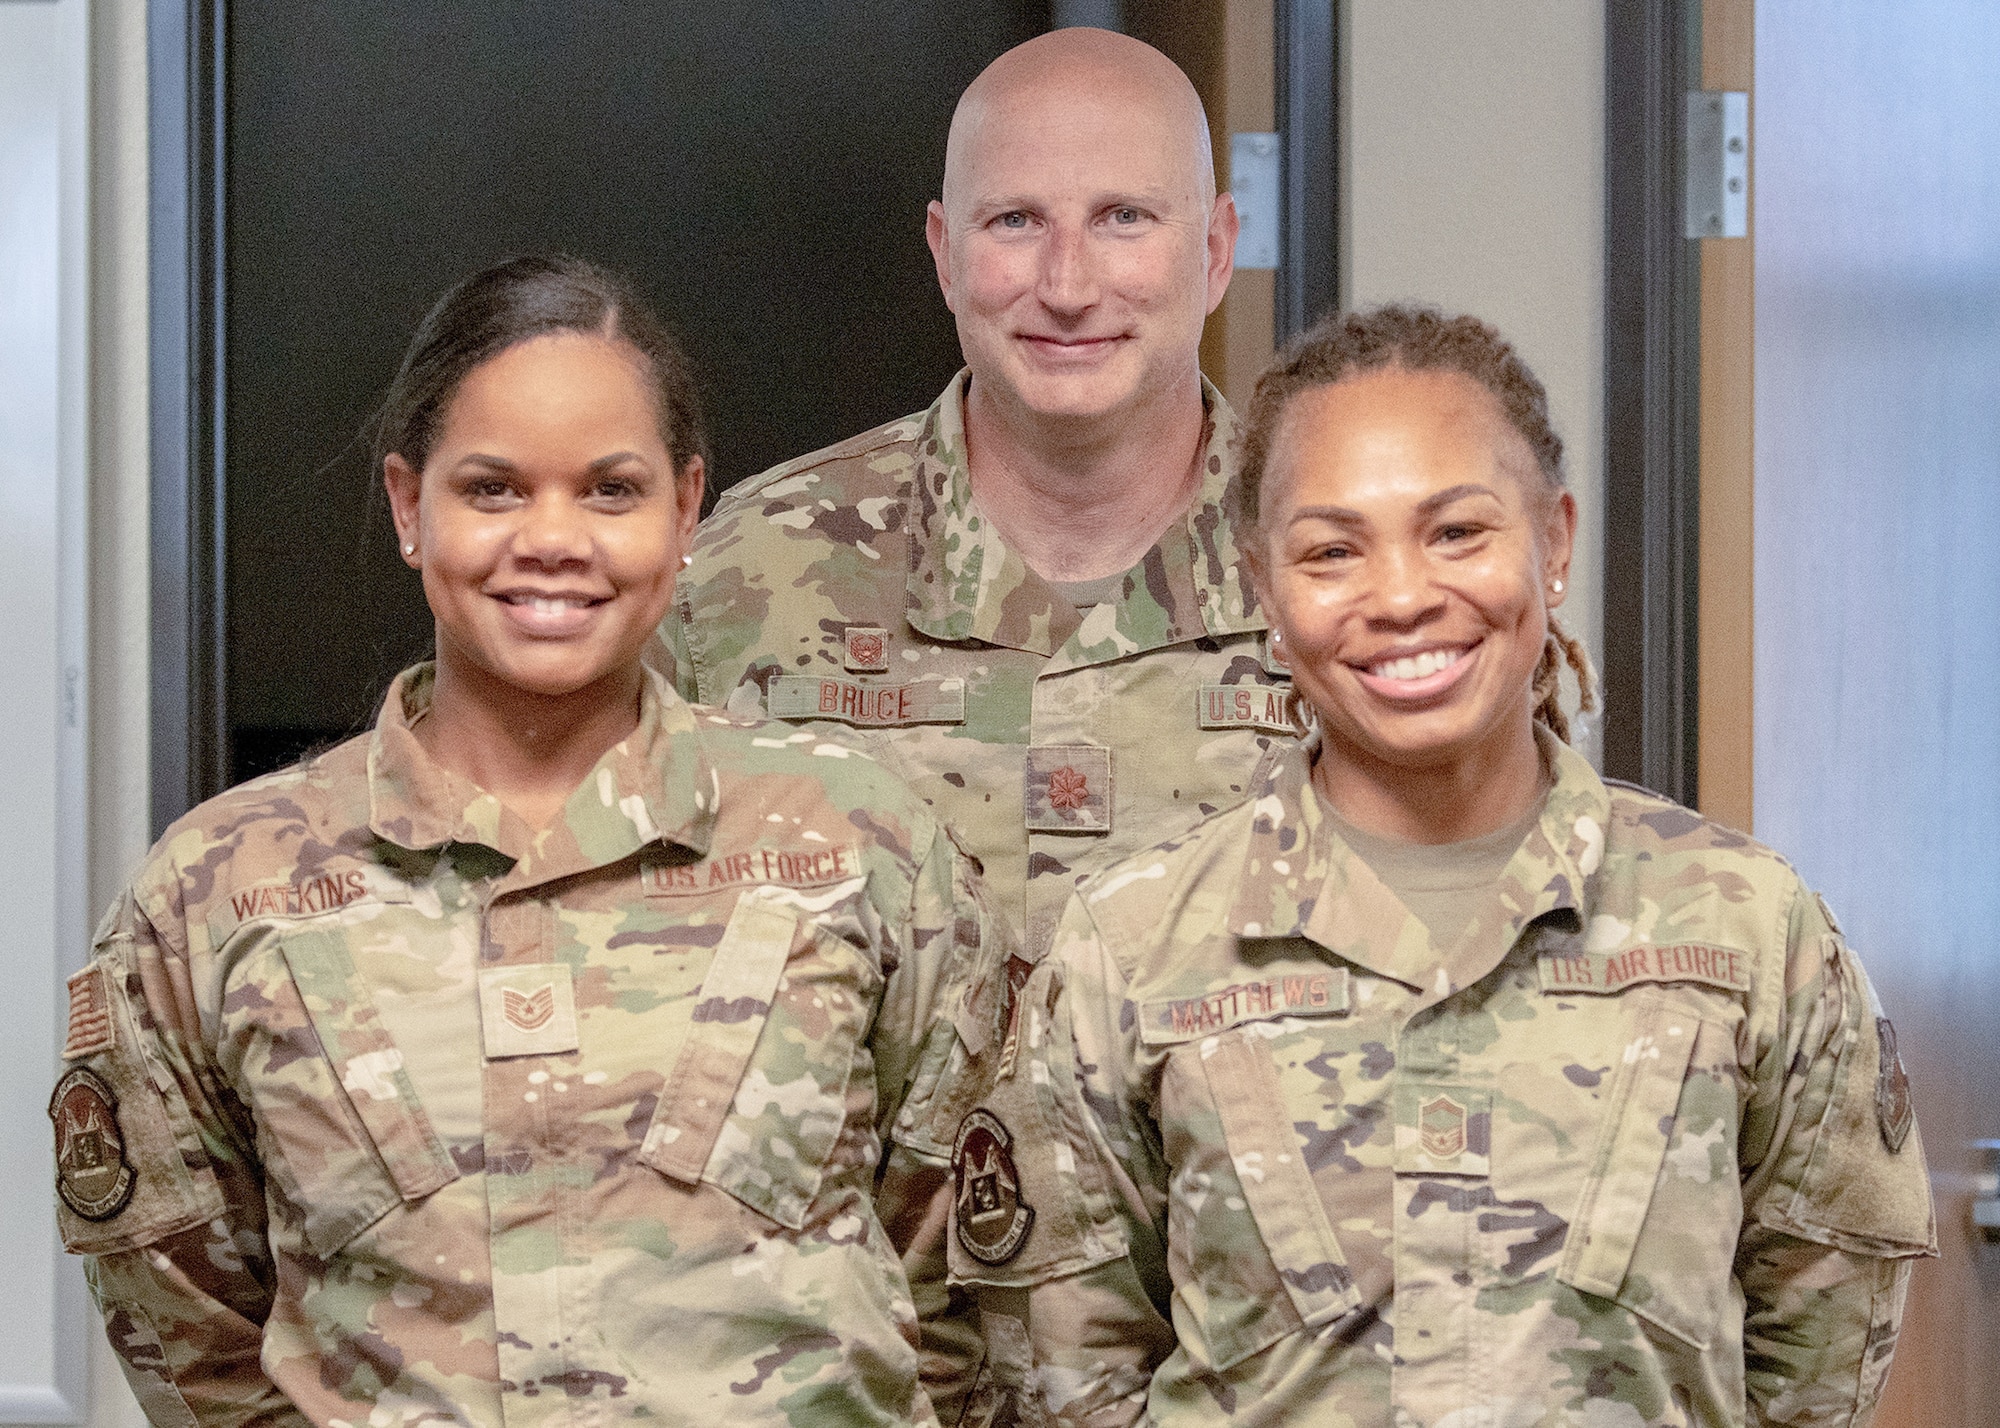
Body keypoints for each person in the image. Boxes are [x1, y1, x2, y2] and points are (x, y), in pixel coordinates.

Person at [932, 305, 1937, 1426]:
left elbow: (1814, 1358)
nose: (1402, 596)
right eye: (1330, 552)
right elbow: (1071, 1375)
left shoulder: (1749, 930)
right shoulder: (1133, 949)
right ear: (1261, 590)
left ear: (1552, 542)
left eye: (1457, 532)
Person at [50, 255, 1005, 1428]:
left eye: (610, 490)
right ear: (409, 506)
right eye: (492, 490)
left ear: (687, 507)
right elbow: (187, 1323)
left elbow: (956, 1274)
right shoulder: (219, 892)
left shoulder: (861, 845)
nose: (552, 539)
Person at [653, 27, 1290, 960]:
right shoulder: (744, 574)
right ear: (945, 254)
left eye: (1124, 219)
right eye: (1016, 223)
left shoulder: (1346, 568)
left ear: (1217, 249)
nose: (1068, 286)